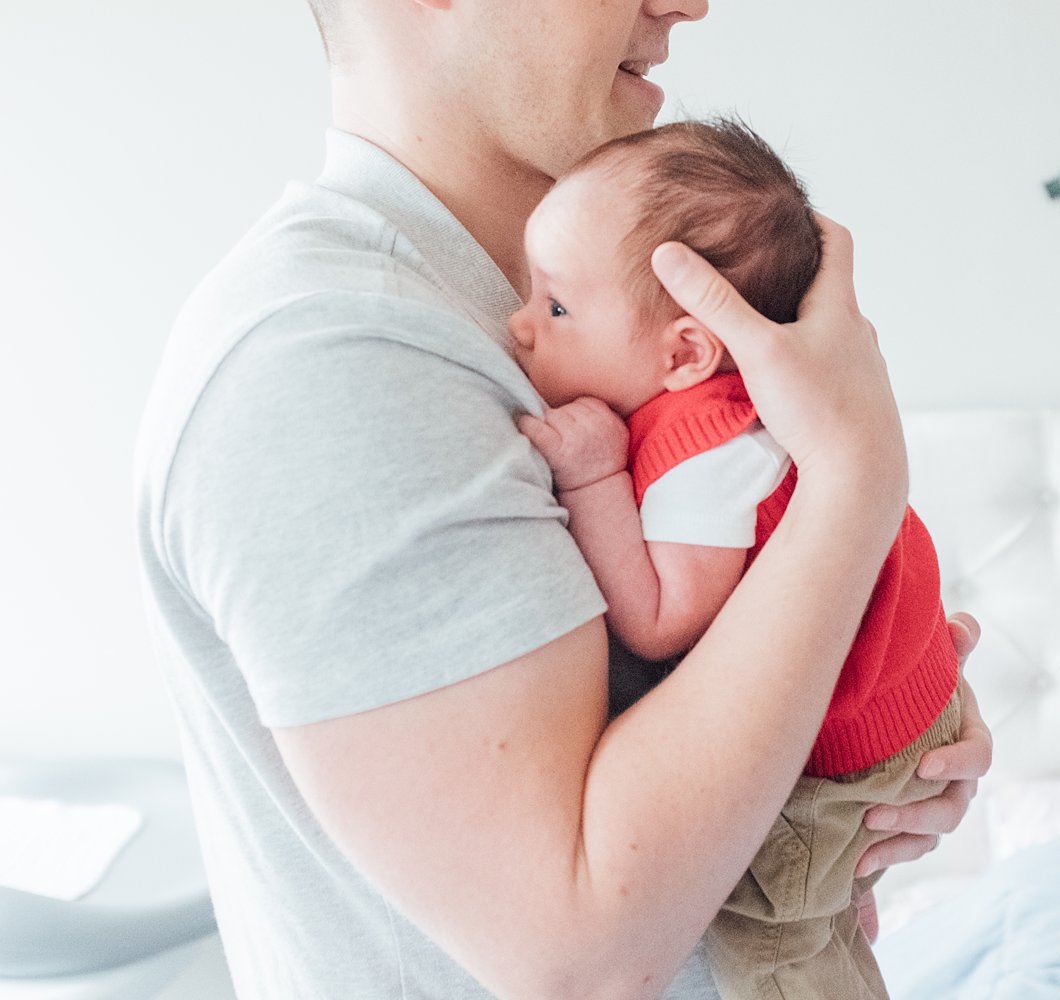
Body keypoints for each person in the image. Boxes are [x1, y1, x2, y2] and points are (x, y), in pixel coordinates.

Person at [132, 2, 993, 998]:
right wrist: (856, 476)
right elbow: (582, 948)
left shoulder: (552, 319)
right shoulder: (336, 356)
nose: (688, 2)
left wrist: (870, 745)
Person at [510, 118, 960, 1000]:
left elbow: (661, 618)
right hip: (903, 689)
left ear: (686, 350)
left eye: (555, 306)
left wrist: (593, 475)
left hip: (859, 744)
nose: (520, 325)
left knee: (772, 941)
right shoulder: (753, 403)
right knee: (812, 895)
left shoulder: (706, 456)